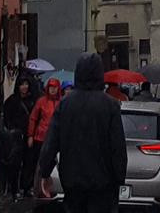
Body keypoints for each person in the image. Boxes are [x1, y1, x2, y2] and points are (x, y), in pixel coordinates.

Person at [39, 52, 127, 213]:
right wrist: (119, 177)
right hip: (103, 184)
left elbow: (50, 143)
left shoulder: (65, 104)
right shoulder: (110, 105)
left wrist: (45, 173)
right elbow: (118, 146)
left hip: (73, 183)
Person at [2, 73, 36, 197]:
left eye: (26, 84)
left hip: (29, 135)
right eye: (22, 84)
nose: (24, 87)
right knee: (14, 163)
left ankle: (26, 187)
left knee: (29, 162)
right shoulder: (12, 100)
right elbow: (7, 118)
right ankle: (15, 189)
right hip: (16, 137)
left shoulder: (32, 99)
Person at [27, 78, 60, 191]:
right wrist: (30, 135)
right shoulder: (41, 101)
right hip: (40, 137)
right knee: (38, 164)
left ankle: (50, 188)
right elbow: (33, 118)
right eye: (51, 87)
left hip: (56, 139)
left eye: (55, 87)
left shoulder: (61, 102)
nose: (52, 90)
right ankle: (35, 187)